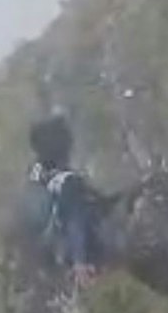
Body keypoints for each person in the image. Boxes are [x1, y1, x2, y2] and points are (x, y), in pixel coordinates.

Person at [22, 117, 107, 286]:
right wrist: (80, 262)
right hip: (75, 258)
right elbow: (76, 220)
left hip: (48, 259)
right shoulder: (67, 181)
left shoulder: (37, 176)